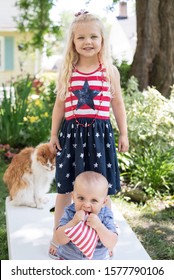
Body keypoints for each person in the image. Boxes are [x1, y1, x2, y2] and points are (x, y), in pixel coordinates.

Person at [48, 10, 129, 258]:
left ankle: (105, 238)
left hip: (99, 137)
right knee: (65, 187)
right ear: (73, 41)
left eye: (93, 36)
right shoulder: (67, 70)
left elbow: (118, 105)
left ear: (102, 40)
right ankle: (57, 236)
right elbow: (59, 106)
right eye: (81, 37)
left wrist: (124, 133)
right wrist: (53, 135)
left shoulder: (109, 71)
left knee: (101, 189)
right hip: (72, 136)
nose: (88, 42)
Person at [52, 171, 118, 260]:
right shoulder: (70, 212)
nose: (86, 205)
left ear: (104, 202)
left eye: (94, 200)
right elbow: (59, 239)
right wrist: (73, 222)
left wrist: (99, 227)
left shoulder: (105, 215)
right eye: (81, 198)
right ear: (73, 197)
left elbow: (112, 243)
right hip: (67, 258)